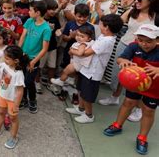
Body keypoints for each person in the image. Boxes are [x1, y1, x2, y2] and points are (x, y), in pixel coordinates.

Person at [103, 24, 159, 155]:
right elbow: (120, 58)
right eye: (140, 40)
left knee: (149, 111)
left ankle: (142, 137)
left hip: (154, 88)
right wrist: (122, 62)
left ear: (157, 40)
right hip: (134, 84)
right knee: (128, 103)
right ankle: (117, 125)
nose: (144, 44)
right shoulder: (133, 46)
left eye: (149, 41)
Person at [65, 14, 123, 123]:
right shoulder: (104, 36)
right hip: (87, 68)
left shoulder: (107, 41)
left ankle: (89, 115)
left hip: (93, 72)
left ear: (106, 27)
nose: (99, 25)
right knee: (81, 90)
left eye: (100, 23)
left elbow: (85, 53)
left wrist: (72, 51)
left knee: (88, 96)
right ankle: (81, 109)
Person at [0, 45, 28, 149]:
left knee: (13, 118)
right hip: (3, 96)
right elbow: (2, 78)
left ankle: (14, 137)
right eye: (5, 57)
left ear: (16, 60)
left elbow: (19, 91)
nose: (4, 59)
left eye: (7, 58)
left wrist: (16, 105)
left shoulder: (18, 74)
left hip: (12, 100)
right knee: (0, 112)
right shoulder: (4, 66)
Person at [18, 1, 52, 114]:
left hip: (33, 58)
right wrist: (18, 51)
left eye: (31, 10)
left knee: (29, 81)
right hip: (23, 55)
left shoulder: (46, 28)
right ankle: (23, 99)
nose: (29, 12)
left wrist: (34, 61)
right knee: (21, 79)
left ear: (37, 12)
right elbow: (23, 36)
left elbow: (44, 49)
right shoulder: (29, 21)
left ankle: (32, 100)